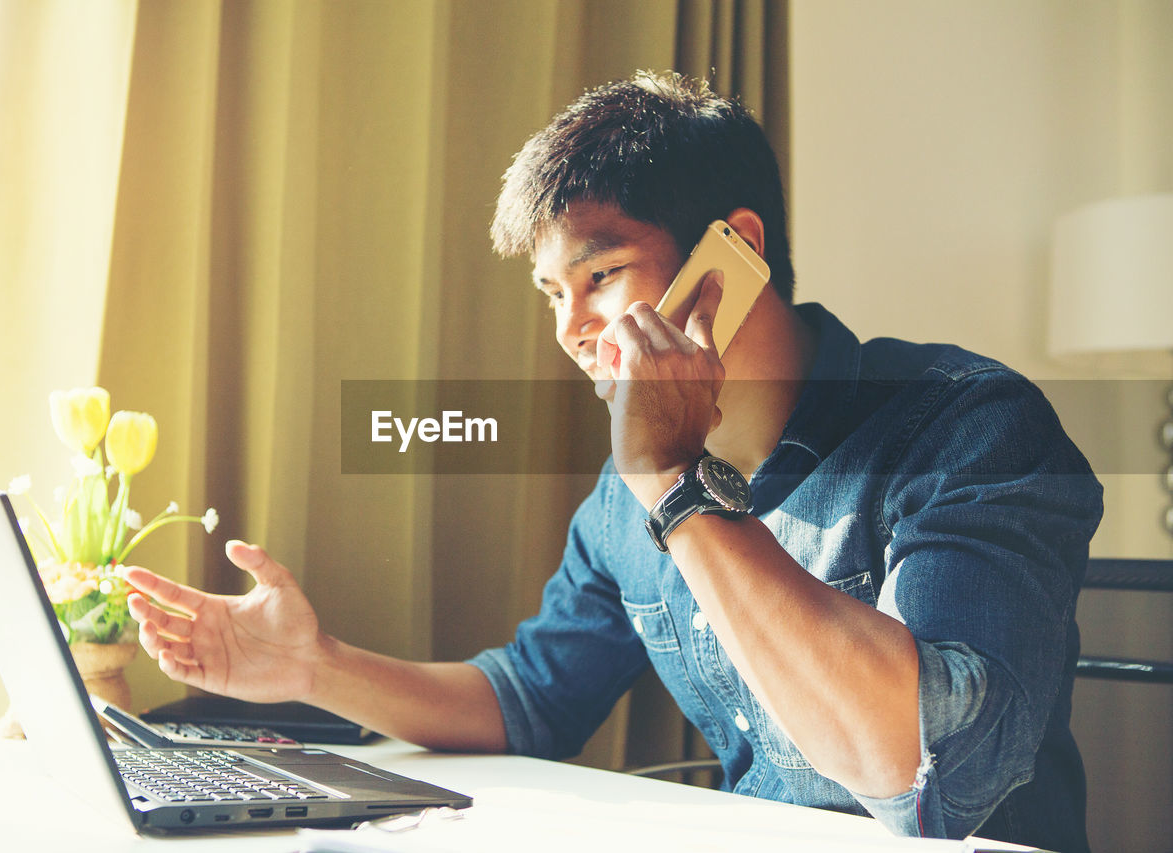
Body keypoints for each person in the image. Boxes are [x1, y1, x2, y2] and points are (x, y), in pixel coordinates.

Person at [124, 71, 1102, 852]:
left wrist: (676, 490)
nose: (572, 330)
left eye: (599, 276)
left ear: (733, 253)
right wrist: (314, 665)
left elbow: (931, 778)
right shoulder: (624, 492)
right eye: (552, 293)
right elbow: (528, 700)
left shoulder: (967, 425)